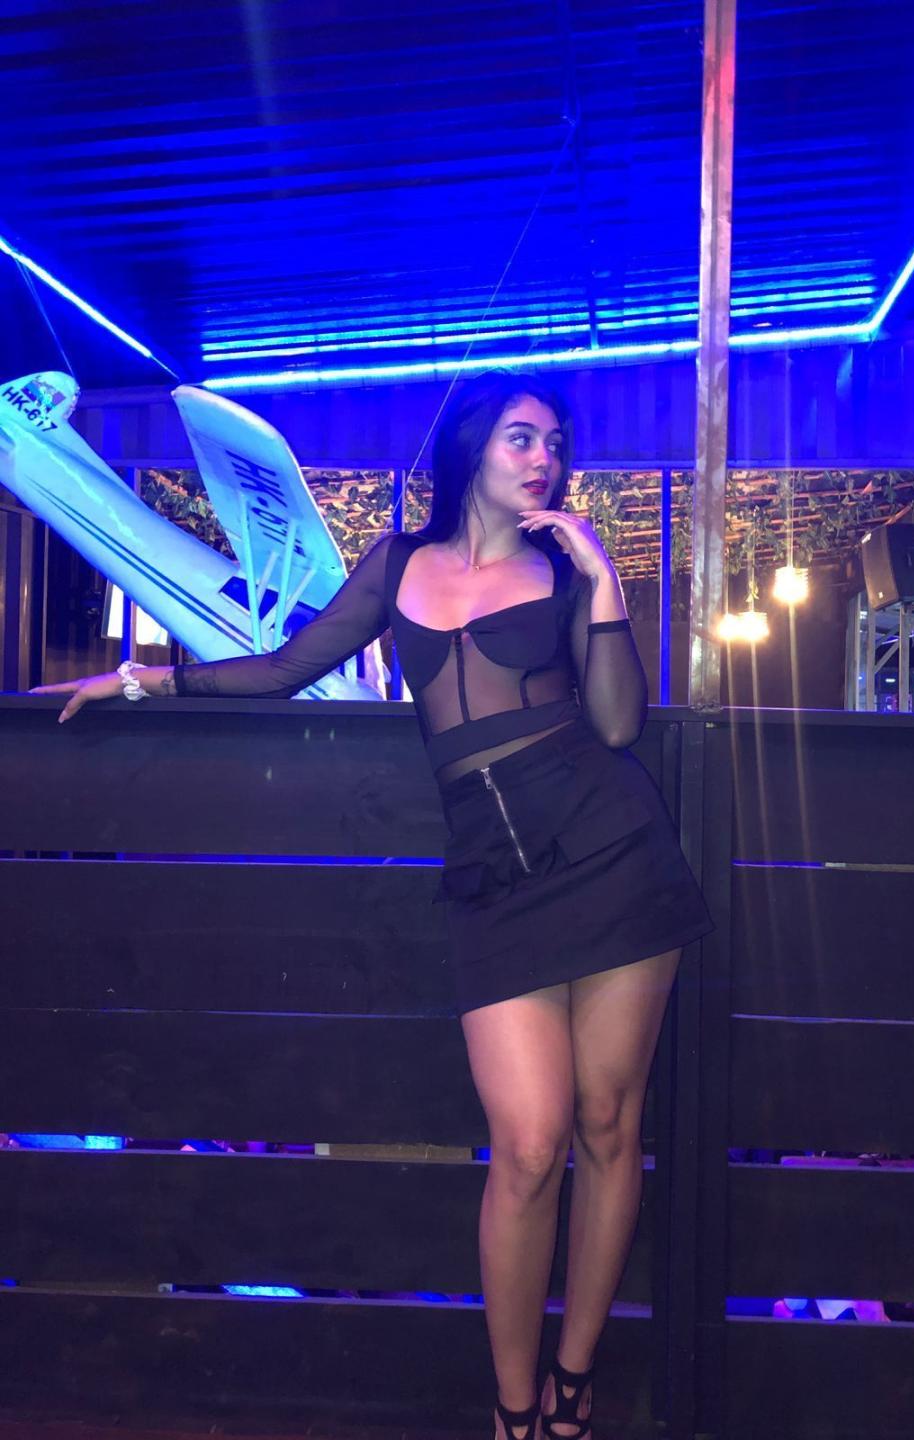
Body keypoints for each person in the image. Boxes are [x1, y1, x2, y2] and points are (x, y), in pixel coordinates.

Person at [30, 370, 715, 1440]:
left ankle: (574, 1385)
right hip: (494, 882)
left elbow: (621, 725)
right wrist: (140, 680)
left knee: (607, 1125)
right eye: (522, 437)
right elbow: (286, 667)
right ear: (472, 446)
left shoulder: (563, 571)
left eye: (555, 442)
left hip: (614, 856)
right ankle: (513, 1406)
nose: (544, 457)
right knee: (528, 1147)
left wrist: (604, 577)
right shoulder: (398, 563)